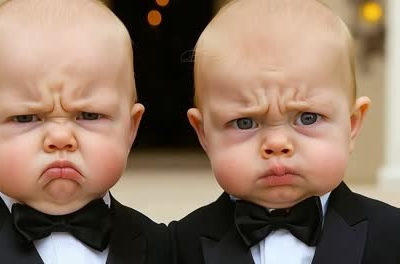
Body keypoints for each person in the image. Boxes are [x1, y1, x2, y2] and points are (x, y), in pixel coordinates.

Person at [0, 1, 170, 263]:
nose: (60, 138)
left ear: (130, 127)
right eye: (25, 118)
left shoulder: (162, 246)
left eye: (89, 115)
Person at [170, 0, 400, 263]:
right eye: (245, 122)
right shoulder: (178, 245)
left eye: (308, 117)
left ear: (352, 124)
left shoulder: (393, 236)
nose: (277, 143)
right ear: (204, 133)